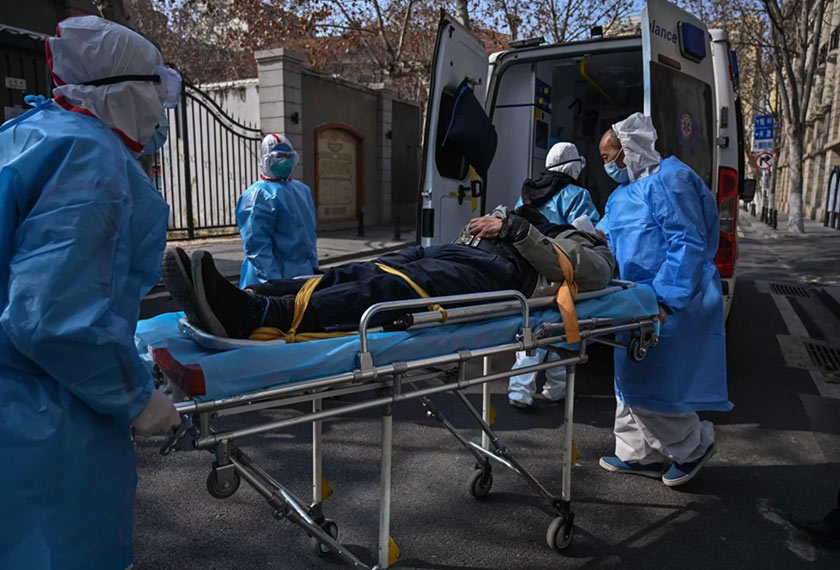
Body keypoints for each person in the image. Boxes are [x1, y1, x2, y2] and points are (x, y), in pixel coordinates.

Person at [0, 17, 182, 569]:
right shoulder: (90, 159)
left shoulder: (27, 134)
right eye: (161, 89)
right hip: (40, 419)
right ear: (126, 91)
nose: (163, 108)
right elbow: (53, 319)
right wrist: (135, 397)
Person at [162, 205, 616, 339]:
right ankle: (248, 294)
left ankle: (263, 314)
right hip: (468, 253)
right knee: (362, 268)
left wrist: (515, 227)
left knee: (388, 287)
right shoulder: (550, 222)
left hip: (500, 275)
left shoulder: (595, 246)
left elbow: (588, 274)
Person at [595, 112, 731, 487]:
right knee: (627, 383)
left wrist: (666, 300)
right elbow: (602, 237)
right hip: (631, 300)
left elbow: (687, 243)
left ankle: (692, 446)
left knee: (650, 387)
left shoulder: (670, 180)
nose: (606, 164)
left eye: (609, 156)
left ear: (627, 151)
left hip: (667, 301)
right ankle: (635, 453)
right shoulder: (622, 195)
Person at [509, 142, 600, 408]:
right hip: (563, 266)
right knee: (563, 328)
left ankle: (519, 391)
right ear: (573, 166)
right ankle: (555, 390)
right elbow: (588, 233)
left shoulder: (528, 192)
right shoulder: (577, 194)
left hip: (530, 270)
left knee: (531, 327)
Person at [236, 134, 318, 288]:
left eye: (289, 156)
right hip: (271, 275)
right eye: (279, 156)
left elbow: (310, 234)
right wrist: (273, 281)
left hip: (304, 272)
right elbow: (257, 246)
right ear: (267, 159)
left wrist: (313, 264)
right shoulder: (256, 196)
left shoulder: (302, 190)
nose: (285, 161)